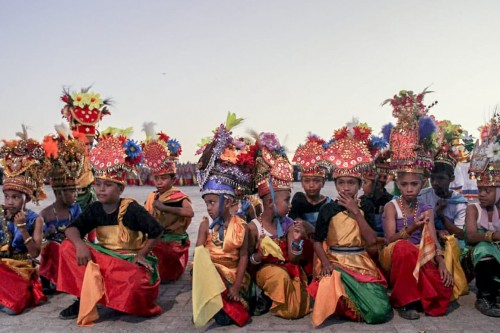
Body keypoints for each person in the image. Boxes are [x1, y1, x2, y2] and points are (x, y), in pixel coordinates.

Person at [57, 134, 163, 325]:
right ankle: (84, 297)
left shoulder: (131, 208)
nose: (101, 190)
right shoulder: (95, 208)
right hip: (106, 258)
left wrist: (141, 254)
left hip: (127, 260)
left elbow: (157, 230)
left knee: (137, 282)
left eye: (107, 185)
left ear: (120, 189)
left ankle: (112, 298)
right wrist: (80, 245)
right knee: (67, 247)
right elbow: (72, 229)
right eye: (97, 184)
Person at [380, 89, 453, 320]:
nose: (409, 188)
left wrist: (440, 261)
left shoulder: (425, 208)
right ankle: (405, 300)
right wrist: (412, 228)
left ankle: (417, 293)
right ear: (398, 184)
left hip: (421, 255)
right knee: (404, 249)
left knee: (442, 293)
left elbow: (431, 237)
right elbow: (390, 239)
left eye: (414, 184)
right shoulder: (392, 207)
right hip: (396, 255)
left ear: (422, 183)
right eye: (404, 184)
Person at [309, 120, 391, 327]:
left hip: (360, 261)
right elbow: (317, 240)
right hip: (336, 262)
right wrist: (326, 263)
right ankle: (341, 300)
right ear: (335, 184)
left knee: (380, 311)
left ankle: (346, 303)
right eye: (342, 183)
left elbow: (371, 240)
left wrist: (356, 212)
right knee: (328, 283)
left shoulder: (367, 207)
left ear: (359, 185)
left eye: (351, 183)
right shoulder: (328, 209)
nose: (346, 188)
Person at [192, 113, 254, 328]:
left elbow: (244, 255)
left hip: (234, 276)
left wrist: (236, 285)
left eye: (211, 202)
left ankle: (235, 297)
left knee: (231, 312)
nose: (208, 208)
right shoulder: (204, 226)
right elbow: (200, 258)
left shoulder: (241, 226)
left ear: (228, 202)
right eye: (206, 203)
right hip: (211, 275)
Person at [247, 131, 311, 320]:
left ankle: (277, 298)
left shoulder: (289, 224)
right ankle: (265, 295)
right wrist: (258, 256)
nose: (290, 205)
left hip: (288, 269)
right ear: (269, 203)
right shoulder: (253, 228)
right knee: (278, 277)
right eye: (286, 200)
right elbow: (248, 261)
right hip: (265, 274)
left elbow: (293, 258)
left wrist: (297, 242)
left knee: (297, 293)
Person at [0, 129, 49, 315]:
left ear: (26, 199)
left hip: (21, 268)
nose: (9, 201)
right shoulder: (0, 214)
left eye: (15, 197)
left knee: (15, 305)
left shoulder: (35, 219)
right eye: (6, 197)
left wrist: (23, 229)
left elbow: (36, 252)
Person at [142, 125, 194, 282]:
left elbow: (189, 213)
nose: (159, 182)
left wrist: (164, 208)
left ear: (173, 180)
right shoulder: (153, 196)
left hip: (171, 241)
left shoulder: (178, 196)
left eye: (163, 178)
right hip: (156, 238)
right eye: (156, 178)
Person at [39, 125, 86, 294]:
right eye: (71, 191)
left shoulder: (76, 209)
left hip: (71, 247)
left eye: (76, 190)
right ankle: (50, 279)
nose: (75, 195)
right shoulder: (45, 213)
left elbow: (81, 231)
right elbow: (39, 238)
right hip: (54, 249)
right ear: (59, 192)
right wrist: (47, 233)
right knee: (51, 247)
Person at [464, 114, 500, 317]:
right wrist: (493, 236)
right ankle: (484, 297)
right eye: (480, 189)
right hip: (475, 257)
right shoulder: (473, 208)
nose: (482, 194)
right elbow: (470, 236)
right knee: (484, 249)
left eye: (488, 190)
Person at [60, 87, 111, 212]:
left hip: (89, 197)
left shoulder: (92, 156)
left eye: (91, 143)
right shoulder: (65, 155)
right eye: (84, 143)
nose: (88, 147)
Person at [290, 135, 330, 279]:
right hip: (304, 242)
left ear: (323, 182)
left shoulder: (329, 203)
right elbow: (296, 222)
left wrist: (311, 228)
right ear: (301, 182)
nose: (311, 185)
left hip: (322, 242)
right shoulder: (299, 199)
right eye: (307, 181)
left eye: (316, 181)